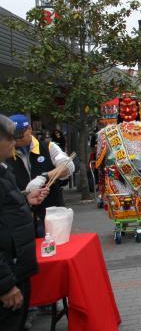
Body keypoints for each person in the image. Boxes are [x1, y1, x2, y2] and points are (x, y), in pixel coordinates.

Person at [0, 114, 49, 331]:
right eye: (9, 137)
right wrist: (5, 284)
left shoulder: (3, 171)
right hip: (7, 275)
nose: (13, 142)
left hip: (18, 268)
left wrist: (27, 201)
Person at [5, 115, 74, 238]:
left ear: (30, 129)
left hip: (52, 214)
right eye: (13, 136)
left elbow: (68, 166)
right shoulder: (6, 154)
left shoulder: (48, 147)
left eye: (20, 135)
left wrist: (44, 177)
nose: (17, 140)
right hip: (22, 218)